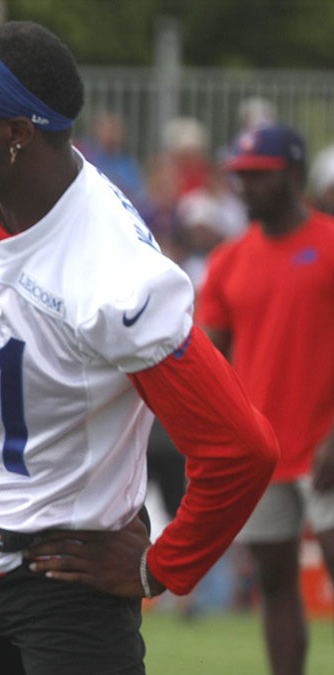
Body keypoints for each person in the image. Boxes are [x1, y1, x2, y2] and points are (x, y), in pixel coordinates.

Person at [0, 22, 279, 674]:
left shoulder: (111, 277)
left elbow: (241, 447)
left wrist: (163, 565)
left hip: (62, 583)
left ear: (17, 133)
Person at [198, 123, 334, 675]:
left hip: (326, 445)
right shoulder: (228, 261)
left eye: (259, 177)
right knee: (275, 584)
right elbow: (211, 365)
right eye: (239, 178)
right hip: (264, 454)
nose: (245, 188)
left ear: (295, 175)